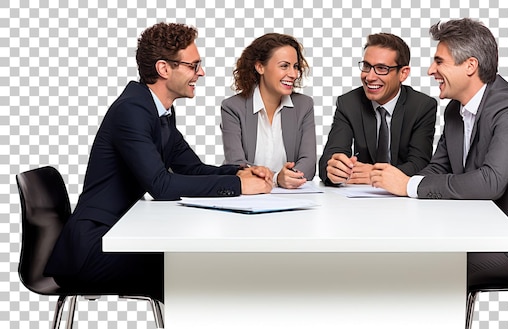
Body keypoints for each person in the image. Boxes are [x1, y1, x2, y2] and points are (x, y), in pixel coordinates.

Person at [44, 22, 273, 303]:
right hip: (93, 248)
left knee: (202, 261)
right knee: (196, 266)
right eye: (193, 65)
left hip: (121, 234)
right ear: (165, 69)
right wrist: (238, 186)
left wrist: (241, 171)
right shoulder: (132, 110)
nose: (200, 73)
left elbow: (191, 168)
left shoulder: (159, 111)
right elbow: (161, 186)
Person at [371, 18, 508, 286]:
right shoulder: (456, 110)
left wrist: (409, 186)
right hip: (486, 230)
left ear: (470, 65)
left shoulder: (507, 107)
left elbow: (491, 182)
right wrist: (395, 188)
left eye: (439, 61)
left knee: (424, 268)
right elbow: (438, 168)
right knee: (407, 255)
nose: (431, 70)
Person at [318, 33, 437, 186]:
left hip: (403, 199)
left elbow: (420, 164)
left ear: (403, 73)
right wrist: (334, 170)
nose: (370, 77)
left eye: (382, 68)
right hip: (357, 200)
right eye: (367, 66)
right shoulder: (348, 103)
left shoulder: (422, 106)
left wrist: (376, 175)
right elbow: (328, 159)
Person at [220, 33, 316, 189]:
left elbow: (309, 163)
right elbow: (236, 164)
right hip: (247, 196)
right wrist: (277, 178)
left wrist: (291, 177)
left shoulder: (304, 105)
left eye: (295, 66)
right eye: (284, 66)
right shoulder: (233, 107)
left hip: (291, 198)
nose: (293, 74)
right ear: (260, 67)